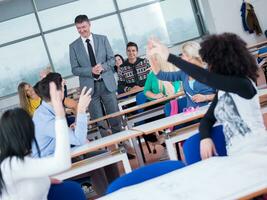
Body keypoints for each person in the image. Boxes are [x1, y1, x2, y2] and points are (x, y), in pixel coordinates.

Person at [147, 33, 267, 159]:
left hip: (257, 152)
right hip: (235, 155)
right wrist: (205, 137)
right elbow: (207, 121)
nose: (209, 66)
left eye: (211, 62)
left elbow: (205, 77)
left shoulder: (243, 84)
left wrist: (168, 56)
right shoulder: (223, 91)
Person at [33, 72, 119, 196]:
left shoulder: (48, 109)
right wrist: (82, 110)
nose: (65, 87)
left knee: (106, 155)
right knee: (95, 163)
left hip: (63, 156)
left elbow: (66, 136)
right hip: (50, 166)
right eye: (63, 85)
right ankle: (108, 197)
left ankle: (116, 193)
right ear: (58, 92)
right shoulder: (44, 118)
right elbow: (79, 140)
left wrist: (70, 129)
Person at [0, 82, 77, 199]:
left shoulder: (18, 160)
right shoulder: (12, 164)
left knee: (72, 189)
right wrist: (60, 115)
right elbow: (62, 163)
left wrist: (44, 180)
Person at [69, 14, 122, 138]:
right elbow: (74, 69)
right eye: (78, 28)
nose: (81, 30)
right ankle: (111, 149)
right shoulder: (73, 47)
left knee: (114, 116)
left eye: (84, 27)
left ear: (89, 24)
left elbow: (112, 60)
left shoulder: (102, 39)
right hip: (89, 89)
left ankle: (122, 144)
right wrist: (91, 70)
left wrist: (102, 67)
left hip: (107, 84)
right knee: (98, 120)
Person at [151, 41, 215, 108]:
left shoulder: (210, 71)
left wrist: (206, 97)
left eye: (183, 55)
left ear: (190, 56)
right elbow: (161, 75)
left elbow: (224, 94)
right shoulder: (184, 73)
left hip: (211, 110)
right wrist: (151, 57)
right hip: (193, 113)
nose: (181, 57)